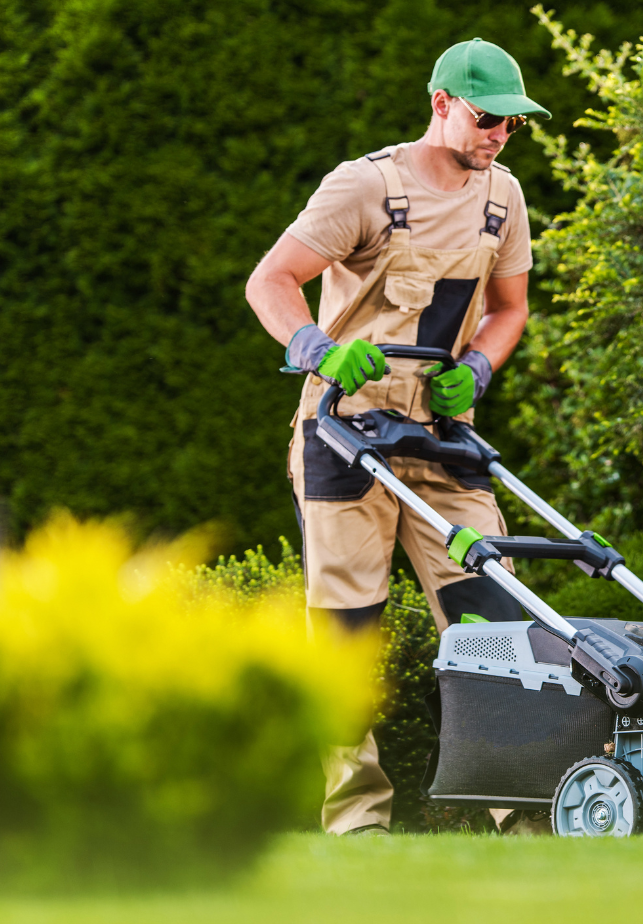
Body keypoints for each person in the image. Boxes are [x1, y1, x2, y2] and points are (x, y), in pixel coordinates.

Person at [244, 38, 547, 836]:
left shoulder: (502, 197)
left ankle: (519, 815)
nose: (499, 138)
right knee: (347, 630)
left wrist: (477, 369)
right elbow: (270, 280)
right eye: (488, 120)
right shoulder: (365, 187)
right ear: (443, 102)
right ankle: (358, 823)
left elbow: (509, 308)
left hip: (442, 435)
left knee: (493, 619)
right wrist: (318, 350)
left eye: (512, 126)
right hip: (345, 430)